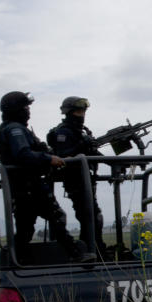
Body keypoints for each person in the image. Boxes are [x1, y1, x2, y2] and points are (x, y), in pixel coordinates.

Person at [0, 91, 94, 264]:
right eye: (25, 107)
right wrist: (49, 159)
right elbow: (23, 154)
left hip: (21, 185)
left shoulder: (9, 129)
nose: (28, 111)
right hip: (29, 184)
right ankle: (76, 255)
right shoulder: (15, 130)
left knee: (26, 227)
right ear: (17, 109)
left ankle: (16, 260)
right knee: (56, 216)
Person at [46, 96, 110, 258]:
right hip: (74, 181)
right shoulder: (63, 132)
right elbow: (63, 156)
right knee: (91, 217)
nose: (82, 115)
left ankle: (94, 249)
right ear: (69, 112)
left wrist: (114, 164)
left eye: (83, 111)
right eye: (78, 111)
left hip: (85, 180)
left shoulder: (79, 132)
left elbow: (93, 153)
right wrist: (82, 146)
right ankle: (93, 251)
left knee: (92, 217)